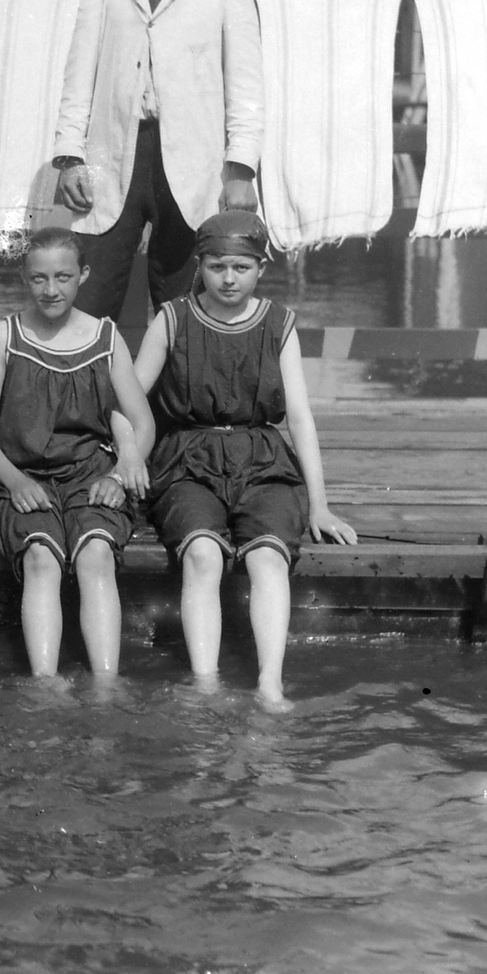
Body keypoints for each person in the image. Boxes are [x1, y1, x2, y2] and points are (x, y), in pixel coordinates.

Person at [130, 210, 357, 706]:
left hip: (262, 460)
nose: (228, 279)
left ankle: (270, 684)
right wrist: (126, 456)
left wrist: (319, 506)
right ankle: (206, 681)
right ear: (200, 266)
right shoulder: (172, 319)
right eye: (216, 267)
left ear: (260, 268)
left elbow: (299, 418)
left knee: (268, 557)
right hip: (188, 459)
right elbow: (127, 398)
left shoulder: (278, 323)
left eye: (241, 267)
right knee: (202, 553)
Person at [50, 0, 265, 324]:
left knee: (187, 315)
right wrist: (69, 157)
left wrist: (241, 172)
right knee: (87, 307)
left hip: (193, 169)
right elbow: (77, 82)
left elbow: (246, 93)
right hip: (113, 162)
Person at [0, 228, 155, 680]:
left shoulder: (106, 337)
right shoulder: (4, 336)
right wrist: (14, 481)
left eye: (63, 277)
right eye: (39, 278)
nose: (50, 290)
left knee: (96, 554)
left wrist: (121, 470)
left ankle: (106, 683)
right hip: (23, 473)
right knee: (41, 557)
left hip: (91, 473)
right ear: (24, 277)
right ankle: (44, 684)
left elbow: (143, 422)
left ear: (83, 275)